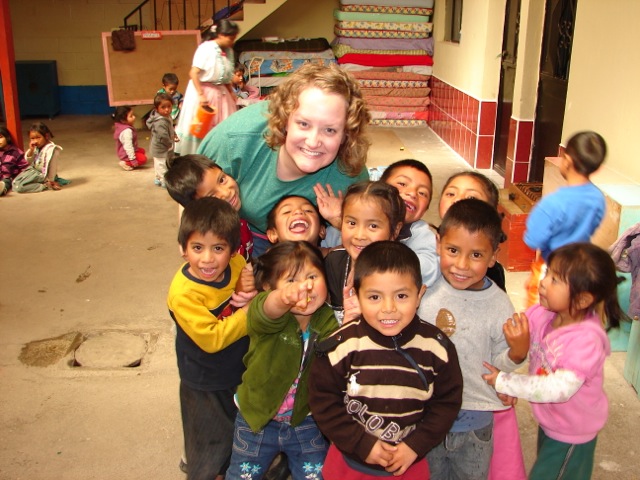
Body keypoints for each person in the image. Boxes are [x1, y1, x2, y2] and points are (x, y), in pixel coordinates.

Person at [309, 241, 464, 479]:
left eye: (401, 295)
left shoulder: (437, 347)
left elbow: (446, 404)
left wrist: (415, 445)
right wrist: (362, 444)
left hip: (408, 465)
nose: (389, 308)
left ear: (420, 294)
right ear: (357, 297)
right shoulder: (340, 346)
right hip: (349, 465)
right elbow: (323, 401)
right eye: (374, 297)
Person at [483, 242, 625, 480]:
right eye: (548, 274)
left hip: (572, 434)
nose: (543, 282)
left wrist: (506, 382)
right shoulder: (543, 314)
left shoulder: (586, 340)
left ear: (581, 300)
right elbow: (516, 337)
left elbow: (557, 389)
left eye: (555, 280)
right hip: (552, 421)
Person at [197, 62, 371, 257]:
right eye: (303, 124)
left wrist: (342, 221)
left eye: (330, 130)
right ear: (284, 121)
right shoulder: (235, 139)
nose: (313, 142)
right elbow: (187, 188)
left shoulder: (351, 174)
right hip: (235, 237)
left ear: (346, 135)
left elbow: (374, 246)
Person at [418, 199, 529, 480]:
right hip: (426, 417)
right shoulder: (424, 292)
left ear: (493, 257)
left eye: (476, 255)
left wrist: (517, 353)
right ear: (439, 244)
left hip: (475, 422)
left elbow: (498, 364)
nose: (462, 265)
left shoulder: (499, 304)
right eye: (453, 250)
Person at [225, 241, 339, 480]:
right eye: (290, 281)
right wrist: (282, 298)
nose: (303, 287)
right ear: (268, 286)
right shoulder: (266, 313)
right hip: (256, 420)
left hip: (306, 422)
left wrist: (351, 319)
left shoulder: (328, 319)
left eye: (312, 276)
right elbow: (267, 309)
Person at [167, 197, 257, 480]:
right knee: (207, 448)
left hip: (236, 371)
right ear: (183, 249)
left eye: (218, 248)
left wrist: (248, 287)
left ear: (232, 250)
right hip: (203, 381)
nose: (207, 259)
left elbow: (245, 276)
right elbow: (212, 339)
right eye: (197, 248)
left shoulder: (238, 263)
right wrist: (252, 310)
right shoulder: (184, 293)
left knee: (236, 436)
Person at [316, 158, 439, 286]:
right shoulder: (342, 233)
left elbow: (428, 269)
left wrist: (340, 223)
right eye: (402, 184)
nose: (412, 193)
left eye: (422, 193)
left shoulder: (422, 232)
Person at [524, 131, 607, 307]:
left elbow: (533, 240)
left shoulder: (553, 203)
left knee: (539, 316)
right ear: (597, 167)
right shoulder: (598, 198)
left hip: (551, 268)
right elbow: (593, 226)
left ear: (567, 160)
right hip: (579, 270)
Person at [324, 181, 405, 325]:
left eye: (373, 226)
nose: (360, 235)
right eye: (352, 223)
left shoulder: (402, 272)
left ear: (395, 230)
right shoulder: (334, 263)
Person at [164, 154, 253, 260]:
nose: (226, 192)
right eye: (212, 195)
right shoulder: (212, 243)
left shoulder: (237, 220)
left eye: (222, 180)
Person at [175, 19, 239, 155]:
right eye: (230, 37)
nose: (232, 41)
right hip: (204, 91)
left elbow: (225, 76)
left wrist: (231, 92)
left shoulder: (228, 51)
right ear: (220, 34)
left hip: (221, 92)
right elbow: (193, 72)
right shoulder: (206, 48)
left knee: (225, 125)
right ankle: (200, 155)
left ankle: (219, 155)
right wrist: (201, 95)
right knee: (202, 126)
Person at [437, 170, 506, 291]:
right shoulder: (421, 241)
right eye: (451, 194)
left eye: (472, 197)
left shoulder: (492, 272)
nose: (458, 200)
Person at [12, 122, 63, 193]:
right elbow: (28, 161)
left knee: (20, 187)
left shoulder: (52, 150)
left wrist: (51, 180)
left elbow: (52, 166)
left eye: (38, 137)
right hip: (33, 171)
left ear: (46, 136)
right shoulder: (36, 146)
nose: (35, 141)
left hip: (42, 175)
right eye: (32, 138)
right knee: (14, 182)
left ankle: (45, 185)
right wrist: (31, 150)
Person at [146, 92, 177, 188]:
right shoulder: (159, 122)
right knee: (161, 164)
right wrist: (169, 144)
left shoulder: (167, 117)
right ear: (157, 109)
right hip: (160, 148)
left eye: (169, 106)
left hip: (164, 147)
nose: (167, 110)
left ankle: (158, 178)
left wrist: (174, 135)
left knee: (160, 163)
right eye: (163, 107)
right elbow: (163, 136)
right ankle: (163, 180)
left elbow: (170, 128)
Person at [112, 105, 147, 171]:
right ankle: (126, 162)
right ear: (123, 120)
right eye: (131, 116)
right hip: (125, 153)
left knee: (142, 151)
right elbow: (128, 146)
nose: (134, 117)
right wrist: (133, 159)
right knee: (143, 159)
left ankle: (129, 159)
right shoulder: (127, 131)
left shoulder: (121, 126)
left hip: (124, 151)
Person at [0, 125, 28, 196]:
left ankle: (1, 189)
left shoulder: (16, 152)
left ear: (7, 137)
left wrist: (19, 178)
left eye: (0, 137)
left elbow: (24, 167)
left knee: (5, 182)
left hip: (7, 177)